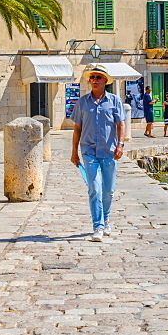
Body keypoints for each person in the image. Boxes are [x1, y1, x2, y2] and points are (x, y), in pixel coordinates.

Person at [71, 65, 125, 242]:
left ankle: (106, 217)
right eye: (92, 77)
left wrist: (120, 145)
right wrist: (74, 152)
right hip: (88, 150)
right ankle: (98, 226)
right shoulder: (82, 102)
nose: (94, 79)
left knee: (108, 190)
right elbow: (77, 128)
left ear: (105, 81)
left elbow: (121, 124)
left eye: (98, 77)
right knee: (94, 188)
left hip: (109, 151)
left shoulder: (115, 100)